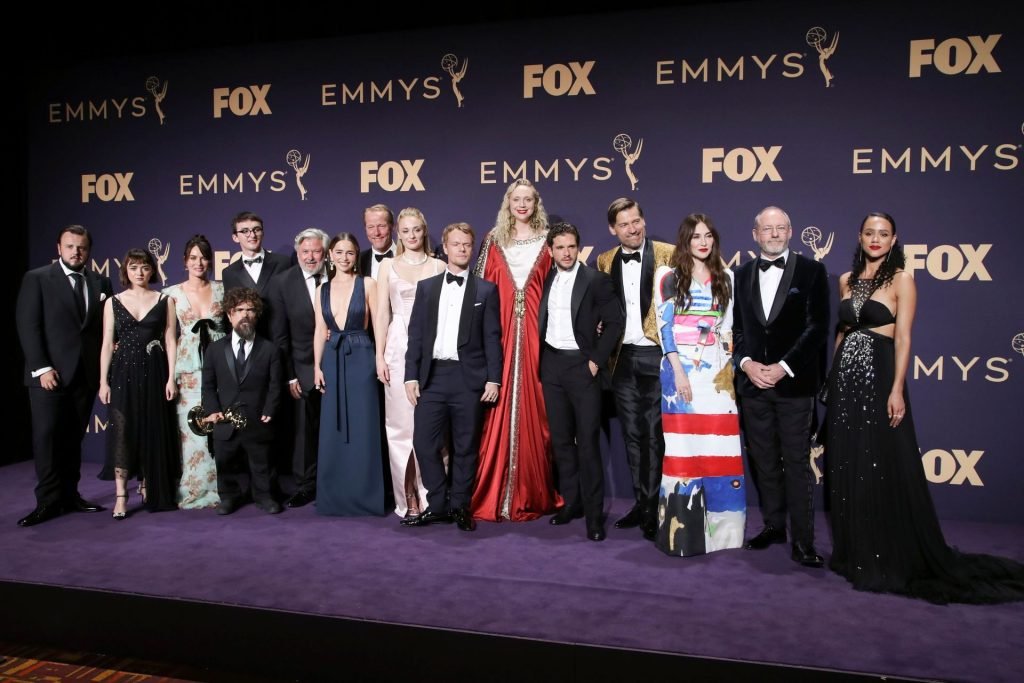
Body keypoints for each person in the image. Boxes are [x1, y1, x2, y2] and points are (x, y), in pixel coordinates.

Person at [826, 212, 1024, 603]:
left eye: (884, 233)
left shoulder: (902, 280)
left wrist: (897, 389)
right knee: (848, 464)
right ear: (860, 236)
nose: (876, 239)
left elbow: (902, 339)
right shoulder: (846, 280)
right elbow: (844, 331)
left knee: (880, 463)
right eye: (870, 232)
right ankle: (854, 553)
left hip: (880, 376)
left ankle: (884, 554)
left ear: (894, 239)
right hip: (845, 382)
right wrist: (831, 379)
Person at [732, 206, 829, 567]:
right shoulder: (740, 274)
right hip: (753, 386)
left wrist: (783, 368)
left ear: (790, 232)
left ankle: (803, 542)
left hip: (794, 386)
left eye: (780, 228)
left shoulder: (812, 271)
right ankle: (774, 526)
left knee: (797, 463)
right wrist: (746, 363)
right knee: (764, 462)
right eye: (767, 229)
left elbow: (817, 328)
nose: (773, 234)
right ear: (755, 234)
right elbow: (735, 329)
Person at [652, 214, 744, 556]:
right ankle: (684, 537)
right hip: (679, 373)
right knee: (684, 450)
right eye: (696, 237)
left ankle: (724, 535)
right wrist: (678, 372)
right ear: (685, 241)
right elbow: (665, 329)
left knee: (720, 450)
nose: (703, 242)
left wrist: (726, 371)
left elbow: (728, 328)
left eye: (708, 236)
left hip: (717, 375)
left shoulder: (727, 277)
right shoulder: (668, 276)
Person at [402, 223, 502, 532]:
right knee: (424, 443)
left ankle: (459, 506)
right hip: (431, 377)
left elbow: (492, 338)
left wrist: (494, 379)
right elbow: (416, 336)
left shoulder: (486, 290)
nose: (461, 249)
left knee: (465, 446)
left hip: (468, 379)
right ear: (444, 247)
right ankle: (438, 505)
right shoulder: (427, 287)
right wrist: (410, 376)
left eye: (466, 245)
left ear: (472, 248)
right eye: (456, 244)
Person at [472, 179, 560, 522]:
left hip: (539, 337)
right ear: (507, 203)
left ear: (536, 204)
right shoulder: (493, 239)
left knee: (538, 409)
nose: (522, 204)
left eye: (528, 199)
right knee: (495, 406)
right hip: (501, 335)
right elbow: (480, 289)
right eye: (516, 199)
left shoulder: (549, 241)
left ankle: (531, 491)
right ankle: (494, 492)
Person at [16, 225, 113, 527]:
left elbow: (103, 328)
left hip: (85, 375)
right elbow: (28, 326)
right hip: (49, 376)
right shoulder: (37, 278)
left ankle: (70, 495)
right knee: (47, 439)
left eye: (81, 247)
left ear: (89, 250)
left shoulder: (101, 282)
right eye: (70, 246)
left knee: (73, 439)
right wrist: (42, 367)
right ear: (59, 248)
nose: (76, 252)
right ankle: (47, 501)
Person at [596, 198, 675, 539]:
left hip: (657, 355)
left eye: (636, 221)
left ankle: (654, 506)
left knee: (655, 435)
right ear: (613, 229)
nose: (632, 229)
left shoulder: (669, 254)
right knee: (632, 435)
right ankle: (642, 503)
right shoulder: (604, 260)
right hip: (621, 358)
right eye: (624, 224)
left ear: (644, 220)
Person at [539, 223, 623, 542]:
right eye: (560, 247)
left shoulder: (596, 280)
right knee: (561, 441)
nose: (566, 253)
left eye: (571, 247)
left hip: (582, 367)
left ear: (579, 248)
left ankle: (594, 516)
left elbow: (614, 322)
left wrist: (595, 362)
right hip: (551, 366)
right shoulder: (544, 280)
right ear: (551, 251)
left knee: (587, 444)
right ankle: (571, 503)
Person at [98, 248, 180, 518]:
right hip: (123, 374)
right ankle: (121, 496)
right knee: (122, 432)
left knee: (150, 429)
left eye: (144, 267)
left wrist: (171, 377)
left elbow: (170, 340)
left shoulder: (165, 300)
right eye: (133, 267)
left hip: (155, 371)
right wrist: (103, 381)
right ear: (126, 271)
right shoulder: (113, 302)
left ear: (152, 270)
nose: (139, 272)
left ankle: (147, 484)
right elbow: (107, 343)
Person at [374, 208, 445, 518]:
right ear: (397, 234)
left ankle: (434, 496)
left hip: (434, 349)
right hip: (398, 348)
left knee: (433, 428)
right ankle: (409, 497)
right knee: (400, 427)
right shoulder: (387, 266)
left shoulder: (440, 265)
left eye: (416, 229)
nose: (412, 235)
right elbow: (381, 314)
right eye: (405, 230)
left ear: (424, 230)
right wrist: (379, 356)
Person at [311, 233, 387, 516]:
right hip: (332, 359)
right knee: (334, 429)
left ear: (357, 256)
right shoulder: (322, 289)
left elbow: (379, 323)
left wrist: (380, 358)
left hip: (362, 355)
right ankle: (334, 497)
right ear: (330, 255)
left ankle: (366, 497)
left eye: (350, 253)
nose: (344, 258)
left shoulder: (368, 284)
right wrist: (317, 366)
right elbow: (320, 330)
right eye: (339, 252)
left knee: (364, 426)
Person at [202, 287, 283, 515]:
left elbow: (275, 385)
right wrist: (213, 410)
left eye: (250, 310)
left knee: (261, 462)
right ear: (229, 315)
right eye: (239, 310)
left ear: (257, 315)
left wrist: (270, 409)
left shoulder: (270, 349)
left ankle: (264, 496)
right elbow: (208, 385)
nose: (245, 315)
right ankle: (229, 496)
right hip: (224, 419)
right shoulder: (215, 350)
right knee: (224, 461)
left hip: (257, 417)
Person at [163, 235, 227, 509]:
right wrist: (170, 376)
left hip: (221, 366)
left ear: (210, 261)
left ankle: (223, 486)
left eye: (203, 257)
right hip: (187, 370)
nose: (198, 262)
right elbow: (169, 335)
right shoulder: (172, 294)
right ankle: (193, 487)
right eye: (193, 258)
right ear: (184, 261)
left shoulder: (222, 289)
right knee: (191, 430)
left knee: (219, 424)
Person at [269, 228, 329, 508]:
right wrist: (290, 375)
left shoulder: (339, 275)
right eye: (305, 252)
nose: (311, 257)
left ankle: (336, 481)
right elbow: (280, 335)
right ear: (297, 253)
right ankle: (306, 485)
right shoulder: (282, 282)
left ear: (325, 252)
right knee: (305, 432)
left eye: (316, 251)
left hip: (340, 363)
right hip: (302, 368)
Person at [221, 211, 291, 338]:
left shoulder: (283, 263)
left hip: (279, 340)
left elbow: (295, 304)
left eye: (256, 229)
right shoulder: (229, 273)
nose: (252, 235)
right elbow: (230, 313)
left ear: (262, 233)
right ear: (235, 237)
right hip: (248, 341)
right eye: (245, 231)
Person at [359, 204, 396, 279]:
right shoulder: (358, 261)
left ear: (392, 227)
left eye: (381, 226)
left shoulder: (407, 255)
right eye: (371, 227)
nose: (376, 233)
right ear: (365, 229)